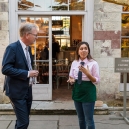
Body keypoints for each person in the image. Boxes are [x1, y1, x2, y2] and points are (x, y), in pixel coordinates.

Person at [1, 22, 39, 129]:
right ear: (27, 35)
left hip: (27, 89)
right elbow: (5, 69)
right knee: (24, 122)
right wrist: (27, 73)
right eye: (35, 35)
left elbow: (26, 66)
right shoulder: (12, 48)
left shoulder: (29, 48)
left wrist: (32, 72)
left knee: (22, 120)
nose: (37, 37)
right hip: (16, 91)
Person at [67, 42, 100, 129]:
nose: (83, 50)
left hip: (88, 92)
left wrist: (87, 73)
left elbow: (96, 81)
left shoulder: (93, 63)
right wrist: (71, 80)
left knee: (89, 119)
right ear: (78, 51)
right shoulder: (74, 63)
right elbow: (72, 77)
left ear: (88, 51)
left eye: (85, 48)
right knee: (81, 119)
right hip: (77, 91)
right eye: (81, 49)